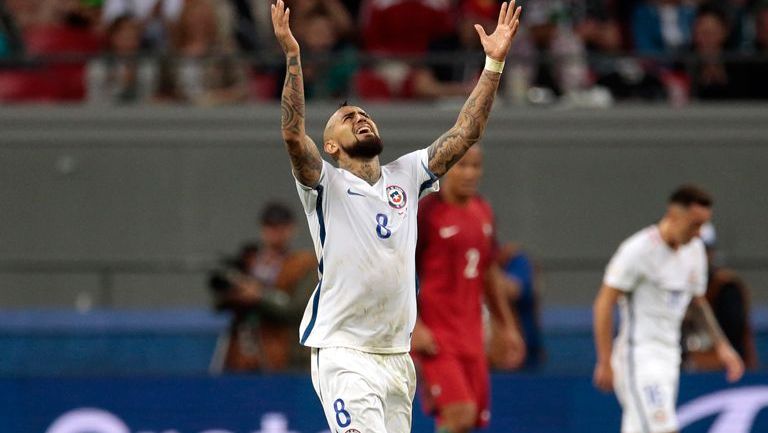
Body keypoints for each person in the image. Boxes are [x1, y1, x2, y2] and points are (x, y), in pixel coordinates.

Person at [270, 0, 522, 430]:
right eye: (348, 118)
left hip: (396, 356)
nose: (360, 118)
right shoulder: (324, 185)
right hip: (344, 352)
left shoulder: (406, 175)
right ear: (330, 145)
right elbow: (293, 134)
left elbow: (467, 131)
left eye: (364, 114)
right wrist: (293, 56)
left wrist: (493, 64)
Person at [593, 185, 745, 433]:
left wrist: (722, 346)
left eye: (703, 226)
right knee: (664, 428)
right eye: (694, 225)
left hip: (669, 357)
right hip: (639, 357)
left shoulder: (694, 251)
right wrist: (604, 359)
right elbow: (604, 303)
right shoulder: (638, 251)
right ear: (673, 216)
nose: (698, 234)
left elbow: (697, 301)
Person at [412, 145, 525, 433]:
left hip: (472, 335)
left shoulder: (483, 212)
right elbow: (401, 271)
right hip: (437, 335)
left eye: (476, 166)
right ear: (446, 168)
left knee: (469, 421)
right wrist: (415, 324)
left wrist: (507, 326)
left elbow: (488, 273)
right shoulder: (427, 212)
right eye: (462, 166)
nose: (470, 173)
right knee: (459, 413)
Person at [209, 202, 317, 372]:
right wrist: (235, 292)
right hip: (241, 352)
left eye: (280, 227)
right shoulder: (248, 260)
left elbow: (298, 309)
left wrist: (259, 296)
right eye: (269, 226)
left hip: (284, 354)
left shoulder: (302, 264)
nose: (274, 233)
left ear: (291, 229)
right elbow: (218, 303)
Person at [682, 222, 759, 371]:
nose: (696, 256)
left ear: (711, 253)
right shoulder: (675, 283)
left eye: (703, 250)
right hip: (685, 367)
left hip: (726, 371)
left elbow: (733, 334)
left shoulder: (726, 287)